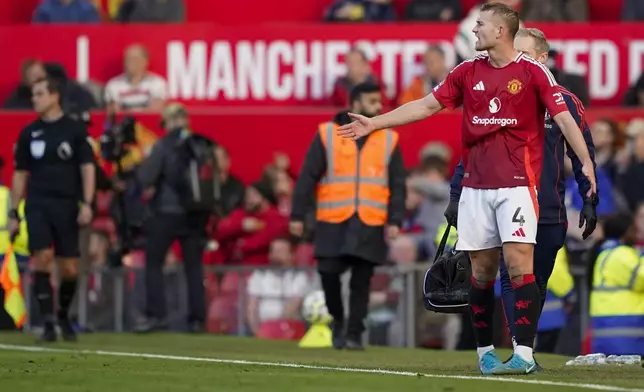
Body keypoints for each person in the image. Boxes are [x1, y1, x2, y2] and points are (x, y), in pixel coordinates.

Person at [337, 3, 596, 374]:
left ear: (501, 32)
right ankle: (485, 352)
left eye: (480, 25)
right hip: (476, 188)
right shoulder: (465, 72)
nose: (474, 30)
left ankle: (523, 354)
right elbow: (426, 106)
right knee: (481, 272)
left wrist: (584, 163)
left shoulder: (534, 74)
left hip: (518, 186)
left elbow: (565, 120)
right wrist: (375, 123)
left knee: (520, 264)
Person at [446, 28, 598, 359]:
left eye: (526, 55)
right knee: (512, 278)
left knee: (536, 283)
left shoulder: (567, 104)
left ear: (543, 59)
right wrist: (456, 195)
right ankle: (520, 352)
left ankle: (521, 349)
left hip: (547, 208)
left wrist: (589, 198)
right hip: (505, 201)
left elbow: (582, 152)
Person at [291, 82, 406, 350]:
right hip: (333, 219)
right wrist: (297, 214)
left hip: (369, 219)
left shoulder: (388, 138)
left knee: (361, 280)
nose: (378, 107)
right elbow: (308, 176)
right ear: (354, 104)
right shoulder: (328, 134)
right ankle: (338, 322)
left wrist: (396, 220)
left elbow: (398, 184)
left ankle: (354, 333)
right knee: (328, 273)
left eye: (380, 102)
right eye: (372, 102)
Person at [10, 76, 96, 342]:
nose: (34, 100)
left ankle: (62, 315)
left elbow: (87, 168)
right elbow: (20, 173)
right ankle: (47, 322)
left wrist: (88, 203)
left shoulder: (74, 130)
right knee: (42, 258)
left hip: (67, 205)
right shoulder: (28, 133)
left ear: (54, 96)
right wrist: (14, 212)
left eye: (39, 94)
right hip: (37, 204)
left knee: (69, 267)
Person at [134, 103, 213, 333]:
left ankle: (157, 315)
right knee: (194, 267)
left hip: (167, 211)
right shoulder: (201, 143)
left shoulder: (164, 145)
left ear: (168, 121)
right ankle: (197, 319)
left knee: (153, 262)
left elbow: (146, 176)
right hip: (196, 214)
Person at [590, 213, 644, 356]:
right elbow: (641, 278)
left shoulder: (608, 252)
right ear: (624, 231)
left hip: (611, 327)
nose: (637, 230)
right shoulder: (621, 254)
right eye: (633, 228)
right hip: (625, 329)